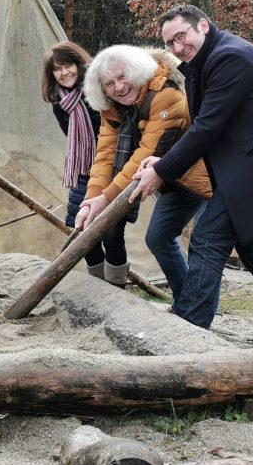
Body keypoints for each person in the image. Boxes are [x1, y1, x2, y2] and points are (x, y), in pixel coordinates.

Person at [132, 4, 253, 351]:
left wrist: (162, 170)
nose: (177, 47)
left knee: (207, 240)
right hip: (248, 168)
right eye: (170, 43)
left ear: (203, 27)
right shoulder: (205, 62)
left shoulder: (230, 57)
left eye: (182, 36)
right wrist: (162, 160)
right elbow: (207, 125)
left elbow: (208, 127)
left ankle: (188, 330)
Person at [74, 45, 211, 298]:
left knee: (205, 244)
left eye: (122, 76)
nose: (118, 87)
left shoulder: (166, 96)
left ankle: (194, 309)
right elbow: (105, 154)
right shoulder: (112, 107)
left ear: (136, 71)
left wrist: (106, 199)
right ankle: (187, 303)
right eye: (109, 83)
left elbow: (146, 153)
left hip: (200, 175)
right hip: (168, 178)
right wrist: (91, 198)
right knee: (159, 238)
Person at [41, 41, 124, 284]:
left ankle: (117, 287)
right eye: (57, 69)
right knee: (79, 231)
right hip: (83, 171)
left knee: (111, 232)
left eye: (68, 66)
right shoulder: (60, 104)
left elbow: (116, 130)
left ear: (79, 64)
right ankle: (99, 285)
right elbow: (73, 139)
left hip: (114, 167)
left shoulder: (99, 90)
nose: (64, 73)